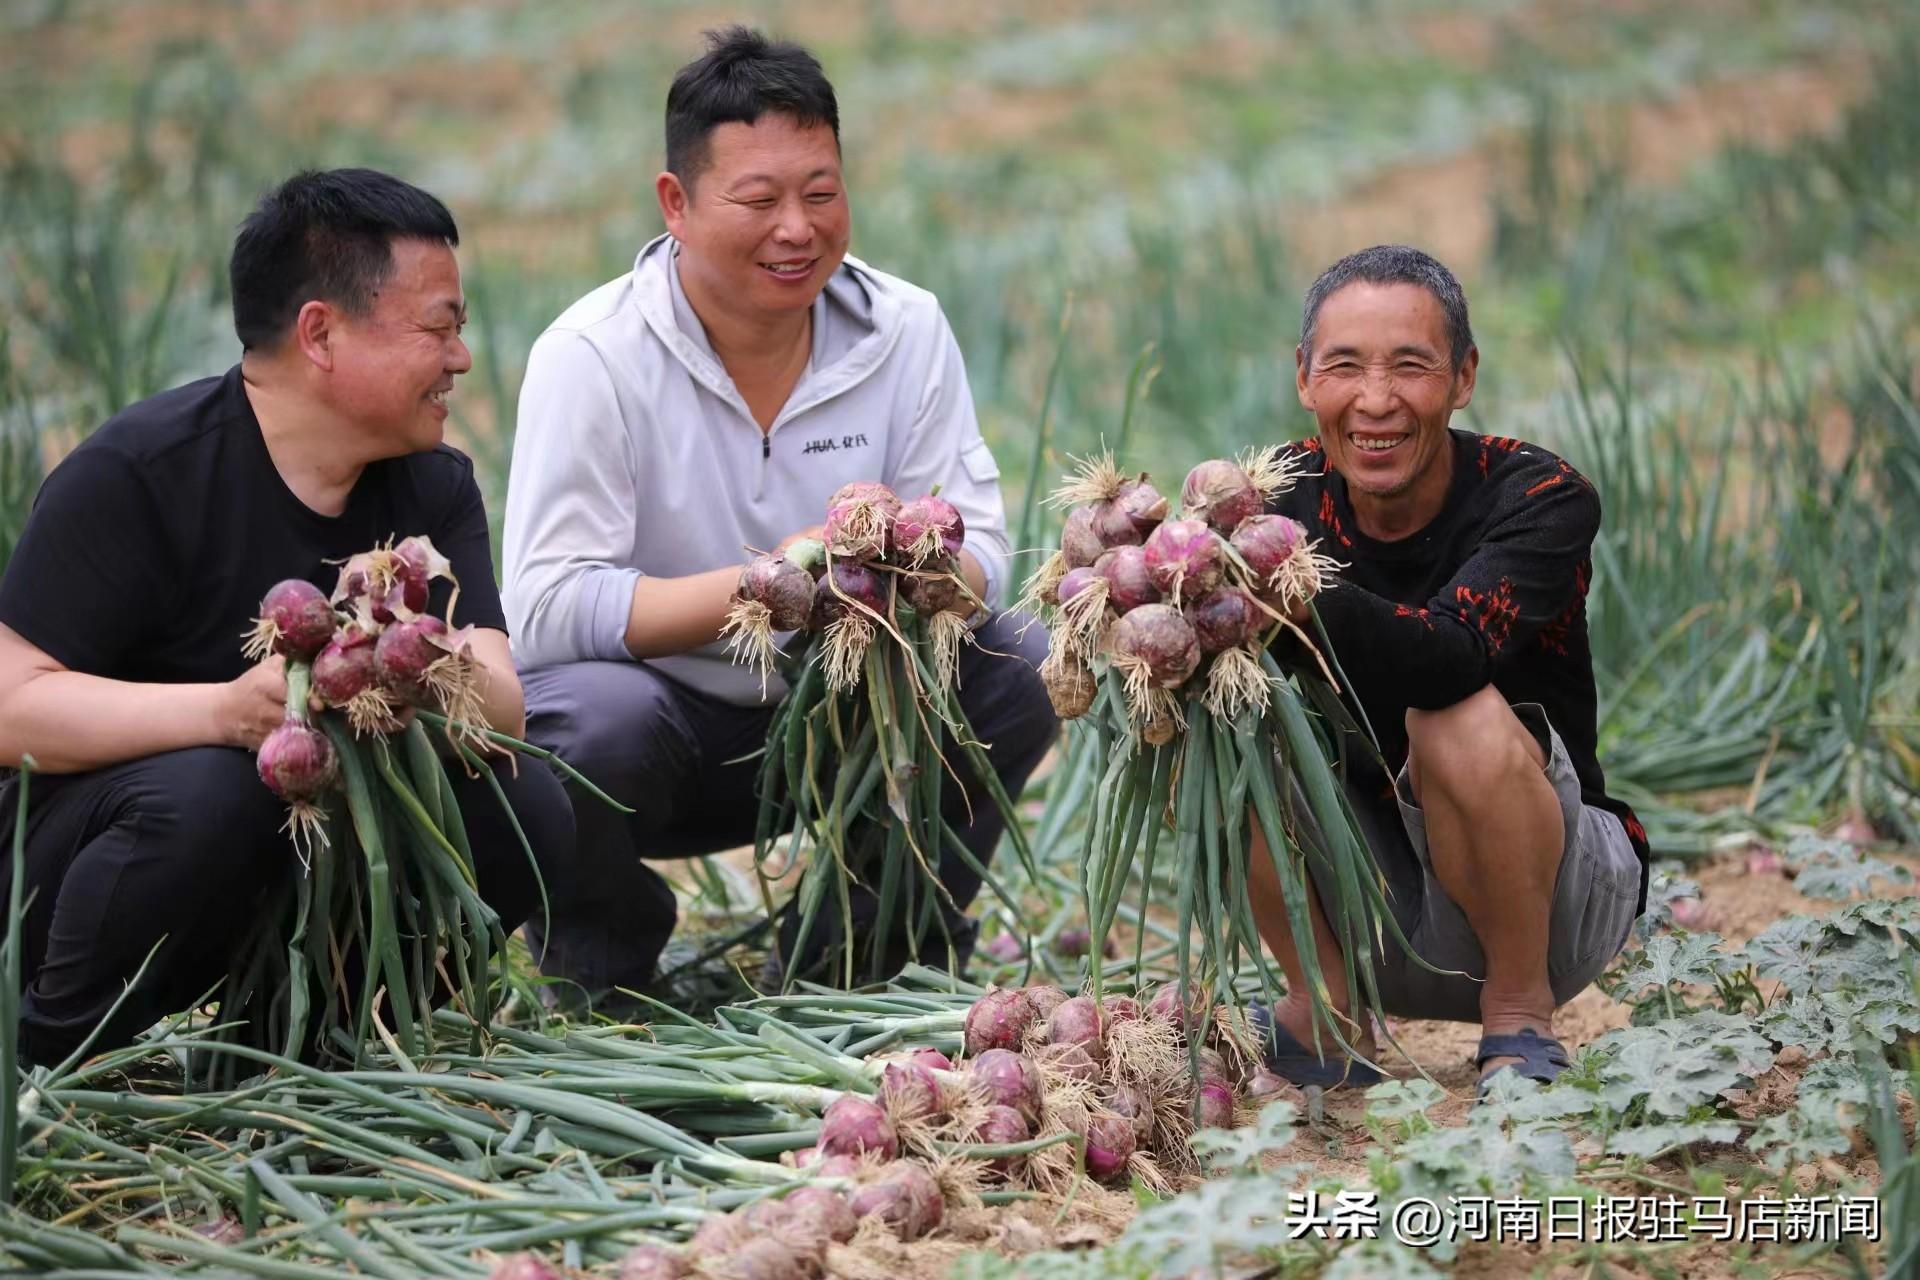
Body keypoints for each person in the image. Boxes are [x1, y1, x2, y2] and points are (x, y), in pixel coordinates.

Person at [502, 27, 1054, 1012]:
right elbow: (543, 609)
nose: (797, 227)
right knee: (581, 723)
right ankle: (605, 958)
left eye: (822, 191)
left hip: (849, 713)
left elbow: (987, 556)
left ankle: (861, 957)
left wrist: (922, 568)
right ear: (676, 204)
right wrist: (768, 589)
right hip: (661, 726)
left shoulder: (904, 327)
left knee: (1015, 665)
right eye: (759, 200)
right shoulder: (591, 355)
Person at [0, 168, 574, 1065]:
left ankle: (310, 1042)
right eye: (439, 327)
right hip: (78, 863)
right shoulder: (140, 473)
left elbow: (504, 708)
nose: (461, 357)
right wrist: (226, 714)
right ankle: (44, 1062)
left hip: (296, 858)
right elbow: (11, 708)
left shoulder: (433, 486)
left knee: (528, 800)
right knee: (220, 791)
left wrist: (412, 663)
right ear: (321, 332)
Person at [1246, 245, 1649, 1100]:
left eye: (1412, 367)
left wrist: (1286, 584)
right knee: (1225, 707)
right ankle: (1324, 1009)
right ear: (1304, 378)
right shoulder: (1275, 498)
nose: (1376, 401)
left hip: (1553, 911)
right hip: (1375, 922)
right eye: (1345, 367)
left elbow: (1450, 654)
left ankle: (1520, 1013)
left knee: (1453, 713)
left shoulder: (1538, 496)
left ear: (1463, 377)